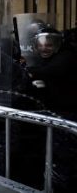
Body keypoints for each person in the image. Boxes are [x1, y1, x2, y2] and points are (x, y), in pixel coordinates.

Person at [26, 27, 77, 192]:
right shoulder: (46, 59)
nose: (44, 48)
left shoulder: (67, 56)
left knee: (62, 159)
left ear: (58, 44)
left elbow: (52, 70)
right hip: (55, 112)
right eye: (40, 45)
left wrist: (29, 72)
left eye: (49, 45)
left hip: (67, 115)